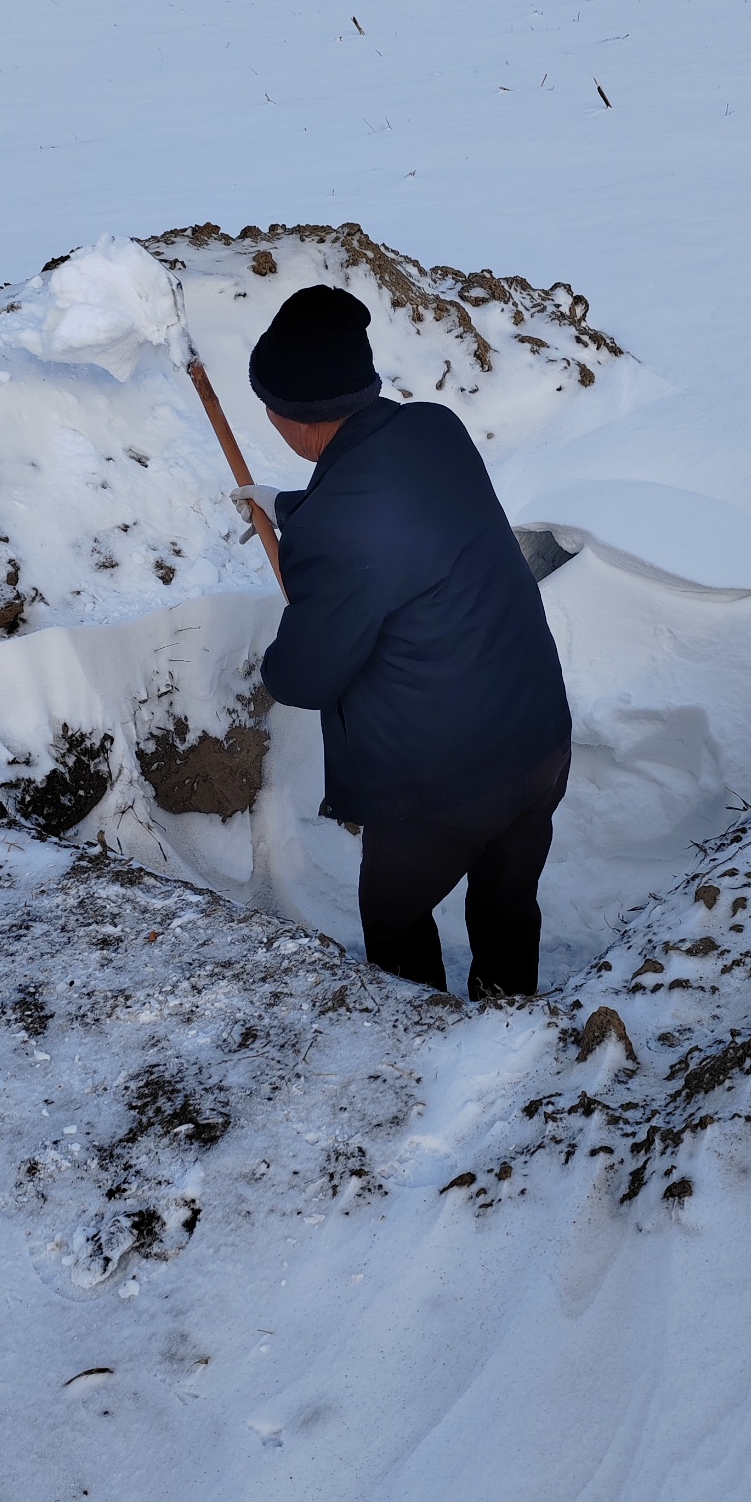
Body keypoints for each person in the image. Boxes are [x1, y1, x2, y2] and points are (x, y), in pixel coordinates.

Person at [232, 284, 571, 1000]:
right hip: (538, 742)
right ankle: (509, 1018)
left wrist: (290, 620)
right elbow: (390, 515)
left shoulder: (336, 532)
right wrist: (286, 507)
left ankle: (418, 1047)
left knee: (394, 919)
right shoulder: (434, 429)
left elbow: (303, 677)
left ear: (291, 415)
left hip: (443, 787)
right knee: (507, 904)